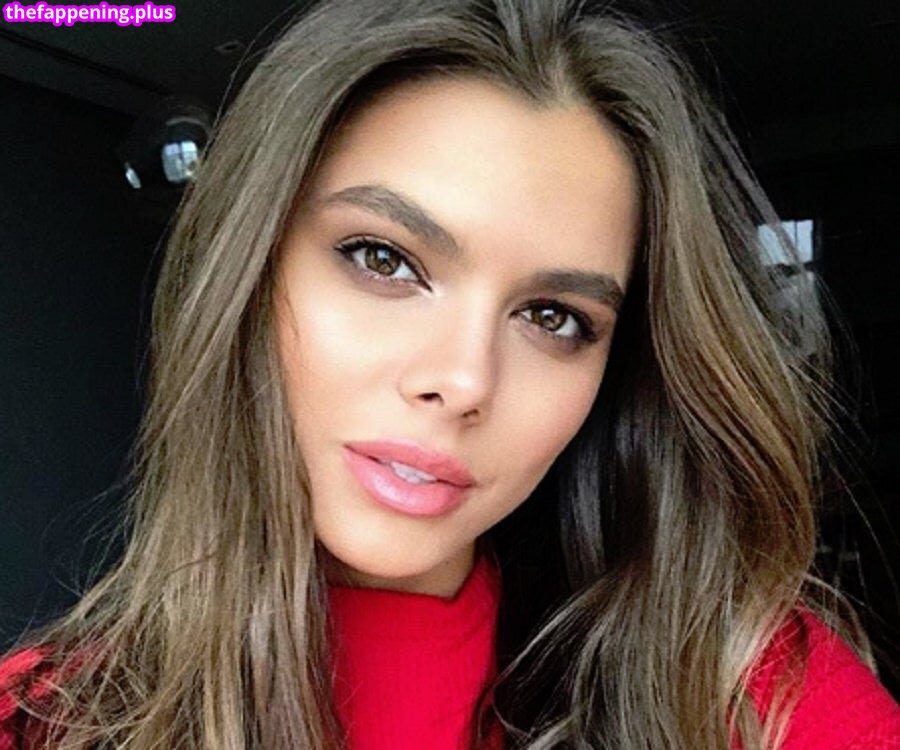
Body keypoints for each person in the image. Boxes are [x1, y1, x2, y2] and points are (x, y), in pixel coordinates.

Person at [1, 0, 898, 748]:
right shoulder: (43, 723)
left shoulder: (750, 694)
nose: (463, 381)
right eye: (383, 259)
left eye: (553, 318)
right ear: (249, 266)